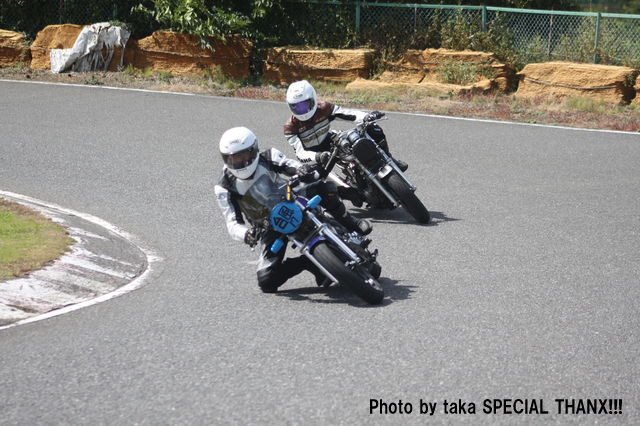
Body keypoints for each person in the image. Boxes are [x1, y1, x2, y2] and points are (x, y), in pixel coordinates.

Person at [214, 126, 372, 294]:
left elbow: (289, 164)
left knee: (325, 188)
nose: (239, 162)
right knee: (267, 280)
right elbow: (232, 223)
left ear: (253, 150)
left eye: (243, 156)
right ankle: (308, 262)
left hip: (291, 199)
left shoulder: (268, 156)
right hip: (269, 225)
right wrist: (246, 234)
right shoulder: (224, 187)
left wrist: (301, 170)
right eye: (233, 158)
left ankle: (351, 223)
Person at [283, 79, 408, 172]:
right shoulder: (290, 127)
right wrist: (317, 156)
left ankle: (390, 160)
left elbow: (348, 114)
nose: (302, 110)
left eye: (304, 105)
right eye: (297, 107)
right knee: (317, 184)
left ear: (313, 99)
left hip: (331, 142)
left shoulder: (324, 108)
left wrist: (366, 116)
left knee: (373, 129)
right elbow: (300, 153)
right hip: (314, 156)